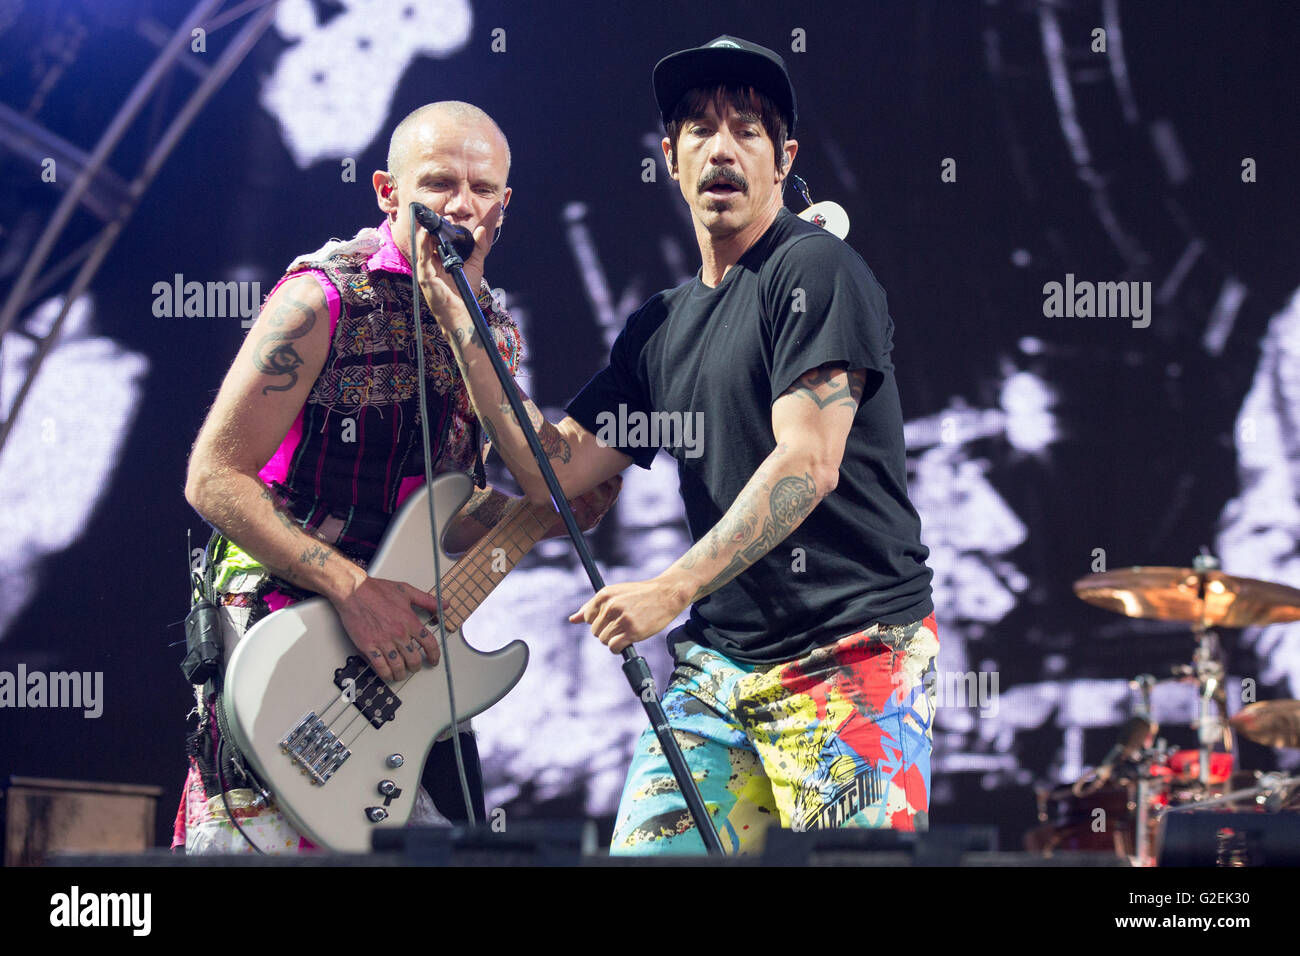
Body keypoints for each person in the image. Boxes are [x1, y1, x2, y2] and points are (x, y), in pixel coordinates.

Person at [419, 38, 937, 855]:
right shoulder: (660, 328)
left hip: (851, 654)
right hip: (720, 666)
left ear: (783, 158)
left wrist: (670, 589)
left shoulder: (817, 271)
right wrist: (459, 318)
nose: (721, 147)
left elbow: (809, 462)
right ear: (669, 157)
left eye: (747, 130)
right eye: (698, 129)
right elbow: (550, 469)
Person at [177, 101, 618, 853]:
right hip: (289, 644)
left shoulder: (493, 330)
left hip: (408, 670)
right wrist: (353, 590)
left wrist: (536, 514)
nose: (462, 205)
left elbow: (445, 499)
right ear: (386, 191)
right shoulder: (322, 300)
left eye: (483, 189)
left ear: (505, 205)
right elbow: (214, 478)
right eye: (439, 183)